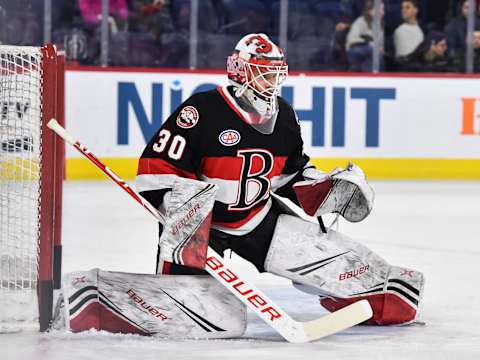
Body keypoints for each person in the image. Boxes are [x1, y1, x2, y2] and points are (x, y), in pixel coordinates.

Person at [134, 33, 425, 329]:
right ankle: (160, 297)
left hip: (258, 218)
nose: (272, 80)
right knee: (208, 319)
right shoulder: (202, 109)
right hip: (201, 227)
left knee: (384, 290)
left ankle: (366, 294)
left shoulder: (284, 115)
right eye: (265, 72)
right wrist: (184, 213)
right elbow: (157, 169)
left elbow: (290, 173)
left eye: (275, 73)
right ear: (242, 71)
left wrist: (323, 187)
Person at [345, 0, 384, 71]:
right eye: (379, 9)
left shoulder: (379, 26)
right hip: (355, 50)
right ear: (370, 11)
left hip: (370, 54)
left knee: (378, 55)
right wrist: (368, 43)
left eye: (382, 9)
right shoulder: (360, 21)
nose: (382, 12)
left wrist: (380, 48)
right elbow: (352, 40)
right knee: (373, 51)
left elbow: (379, 44)